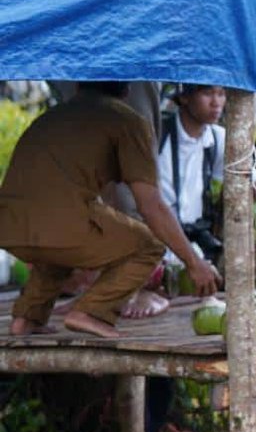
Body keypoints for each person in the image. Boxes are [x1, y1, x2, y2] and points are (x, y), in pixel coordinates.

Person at [0, 82, 219, 338]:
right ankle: (92, 311)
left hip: (10, 226)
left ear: (79, 87)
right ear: (127, 90)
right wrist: (193, 262)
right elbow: (150, 204)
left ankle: (27, 318)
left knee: (60, 249)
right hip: (62, 221)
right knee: (149, 245)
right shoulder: (127, 120)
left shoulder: (51, 116)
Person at [157, 83, 256, 265]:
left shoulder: (217, 138)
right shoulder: (157, 136)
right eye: (207, 93)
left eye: (221, 94)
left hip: (192, 254)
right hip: (152, 250)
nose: (217, 102)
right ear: (184, 96)